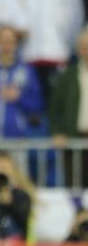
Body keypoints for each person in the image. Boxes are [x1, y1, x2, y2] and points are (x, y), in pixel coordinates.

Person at [16, 0, 84, 101]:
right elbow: (17, 15)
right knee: (31, 99)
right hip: (29, 51)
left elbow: (76, 15)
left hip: (58, 51)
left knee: (56, 97)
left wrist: (69, 43)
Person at [49, 31, 88, 188]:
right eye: (84, 47)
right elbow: (54, 109)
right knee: (75, 188)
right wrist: (57, 132)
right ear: (78, 50)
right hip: (73, 139)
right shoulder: (68, 77)